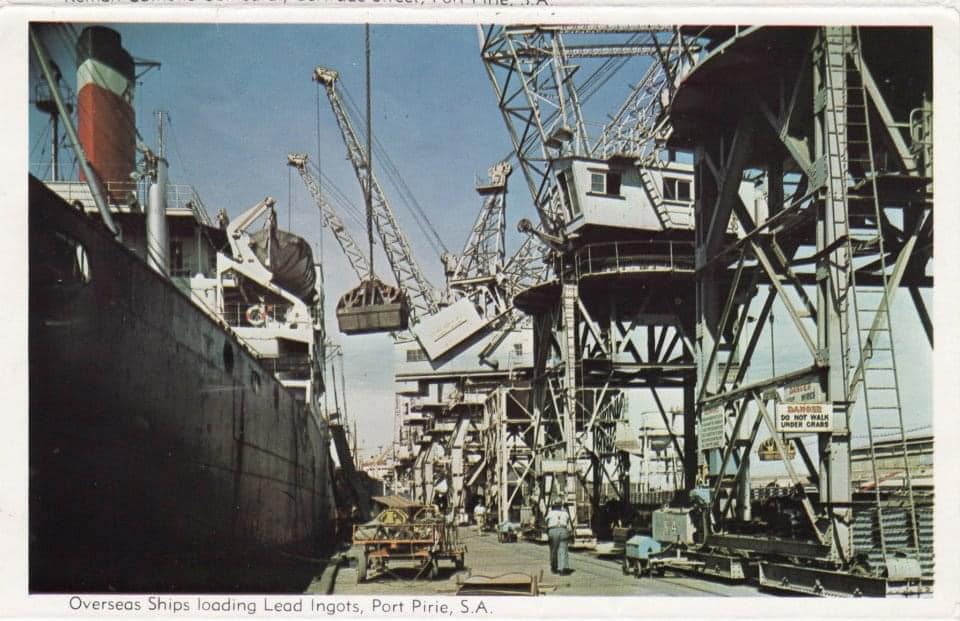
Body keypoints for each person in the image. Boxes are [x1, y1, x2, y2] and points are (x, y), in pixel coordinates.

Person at [545, 501, 572, 574]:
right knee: (563, 549)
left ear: (553, 506)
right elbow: (568, 523)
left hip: (553, 530)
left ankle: (554, 568)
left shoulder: (550, 513)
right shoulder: (565, 513)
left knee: (553, 550)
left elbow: (546, 521)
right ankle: (563, 568)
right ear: (560, 506)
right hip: (563, 530)